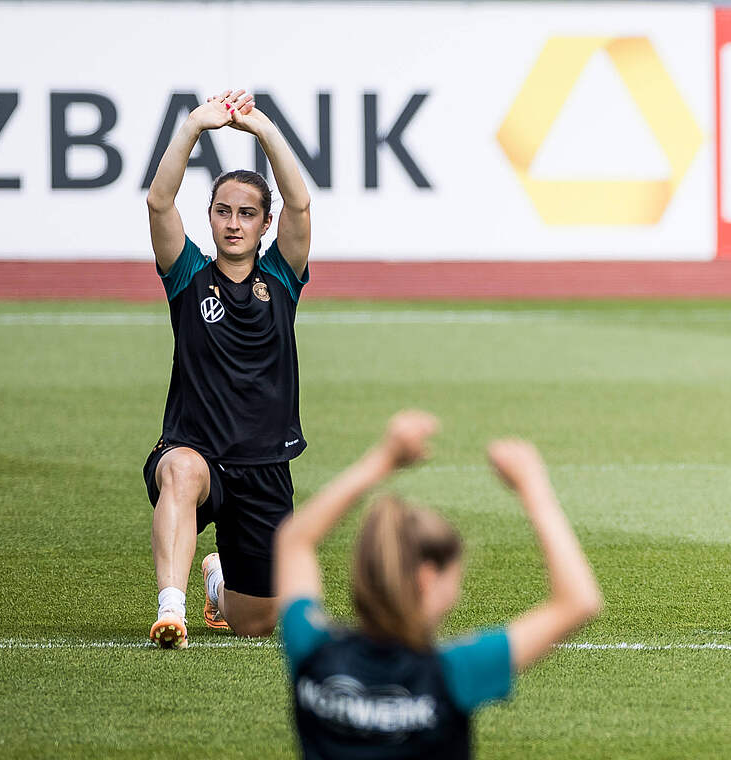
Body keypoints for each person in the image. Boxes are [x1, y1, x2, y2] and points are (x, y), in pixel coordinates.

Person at [274, 410, 603, 758]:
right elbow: (579, 601)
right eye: (454, 579)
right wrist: (533, 487)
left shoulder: (312, 651)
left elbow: (294, 542)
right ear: (427, 581)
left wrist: (383, 459)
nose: (457, 593)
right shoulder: (452, 674)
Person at [142, 89, 313, 648]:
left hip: (264, 465)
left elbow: (302, 204)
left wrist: (264, 130)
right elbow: (160, 204)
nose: (234, 224)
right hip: (198, 451)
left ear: (265, 224)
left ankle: (218, 581)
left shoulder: (282, 279)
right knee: (181, 471)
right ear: (210, 218)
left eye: (247, 214)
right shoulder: (188, 274)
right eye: (223, 211)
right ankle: (172, 608)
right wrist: (193, 126)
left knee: (256, 624)